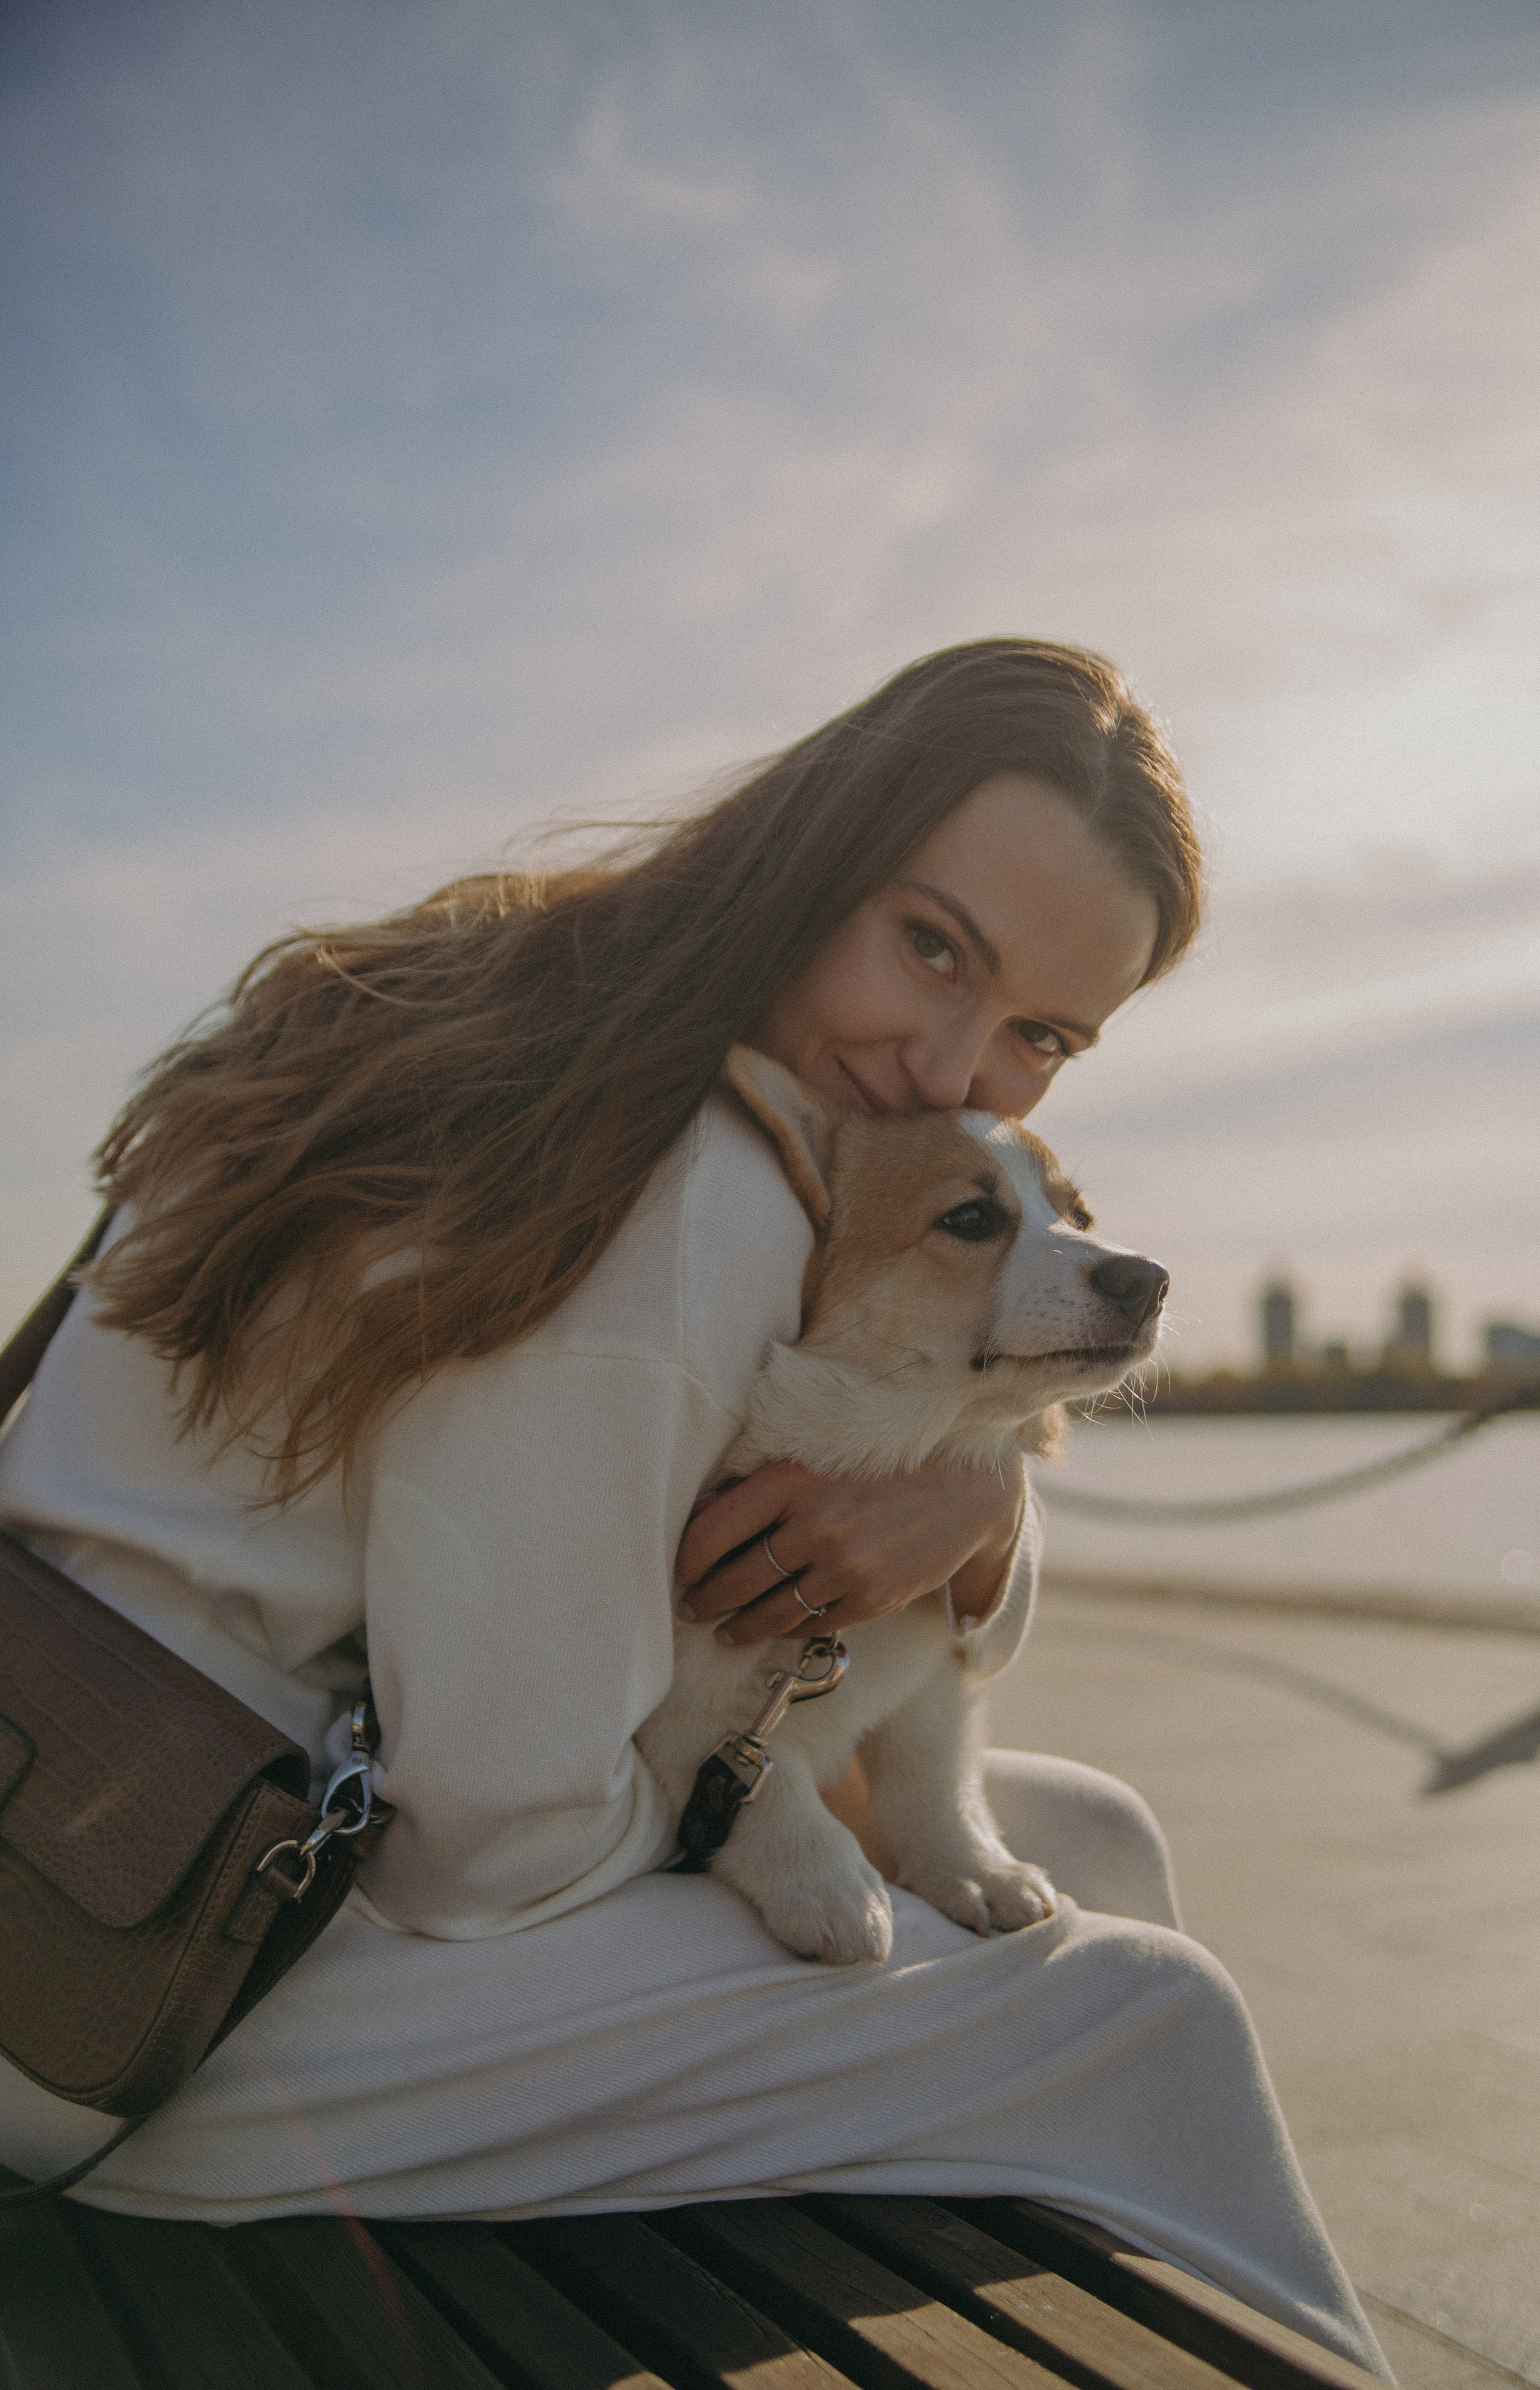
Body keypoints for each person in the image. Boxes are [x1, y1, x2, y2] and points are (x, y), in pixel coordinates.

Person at [0, 639, 1389, 2379]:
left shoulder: (530, 1009)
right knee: (1146, 2016)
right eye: (932, 946)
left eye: (1040, 1034)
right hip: (143, 1986)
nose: (947, 1061)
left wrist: (966, 1515)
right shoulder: (693, 1181)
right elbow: (494, 1842)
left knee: (1081, 1837)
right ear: (819, 854)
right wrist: (756, 1811)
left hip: (88, 1826)